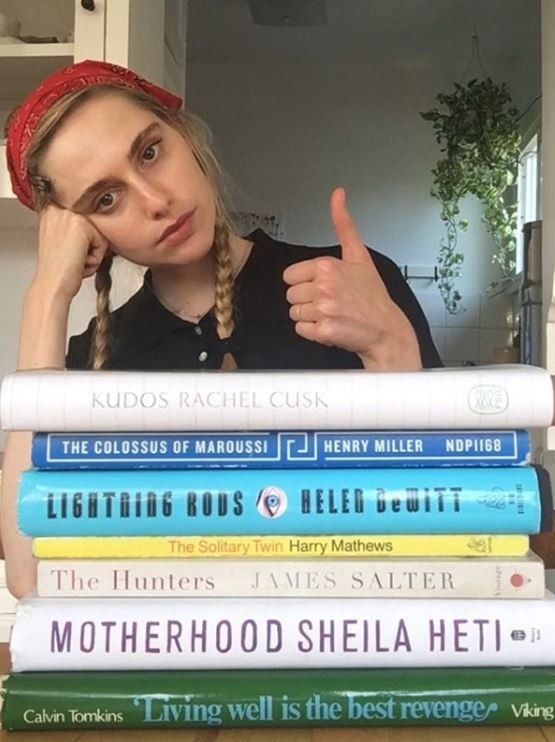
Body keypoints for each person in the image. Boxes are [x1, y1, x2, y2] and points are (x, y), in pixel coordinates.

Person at [1, 60, 441, 597]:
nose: (156, 201)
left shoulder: (351, 282)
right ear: (87, 231)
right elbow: (30, 579)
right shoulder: (88, 364)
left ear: (184, 136)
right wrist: (45, 296)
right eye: (107, 199)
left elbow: (444, 530)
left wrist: (388, 344)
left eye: (149, 152)